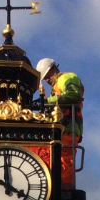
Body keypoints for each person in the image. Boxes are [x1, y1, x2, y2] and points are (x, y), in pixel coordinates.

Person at [36, 58, 84, 188]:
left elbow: (74, 94)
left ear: (53, 69)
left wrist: (48, 101)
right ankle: (58, 187)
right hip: (61, 128)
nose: (46, 80)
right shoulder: (55, 87)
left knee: (64, 160)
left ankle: (64, 190)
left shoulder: (66, 78)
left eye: (46, 76)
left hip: (68, 128)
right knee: (56, 160)